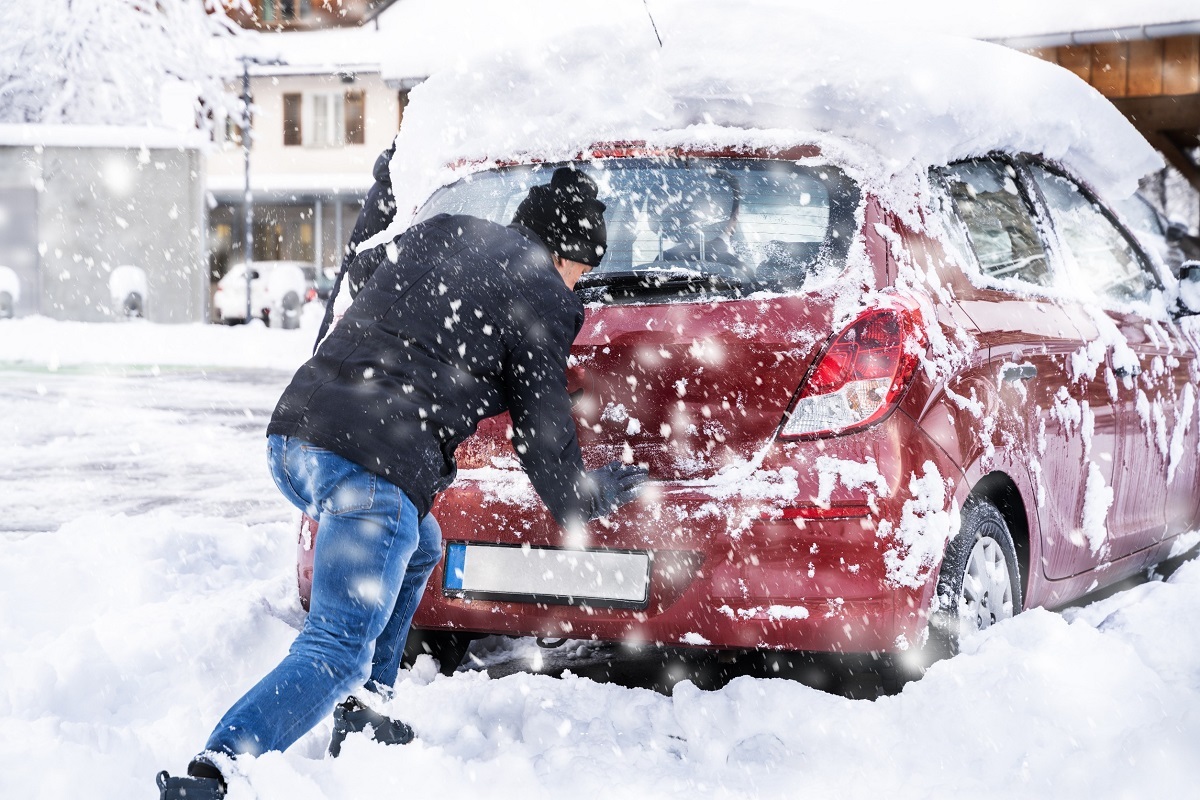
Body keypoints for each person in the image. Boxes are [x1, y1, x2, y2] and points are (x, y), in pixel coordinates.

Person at [157, 165, 648, 799]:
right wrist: (586, 496)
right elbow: (541, 436)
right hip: (372, 462)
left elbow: (363, 277)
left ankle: (366, 709)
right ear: (563, 253)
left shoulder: (443, 231)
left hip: (296, 436)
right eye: (583, 269)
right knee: (336, 645)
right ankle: (216, 770)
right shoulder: (544, 291)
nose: (582, 283)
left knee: (422, 544)